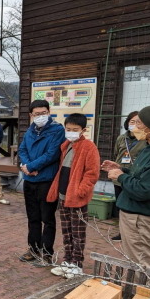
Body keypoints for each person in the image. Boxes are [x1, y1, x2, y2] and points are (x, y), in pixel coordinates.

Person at [101, 104, 150, 269]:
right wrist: (121, 168)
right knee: (134, 260)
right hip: (135, 214)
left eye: (139, 123)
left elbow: (145, 189)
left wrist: (120, 177)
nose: (135, 127)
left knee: (143, 262)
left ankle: (148, 293)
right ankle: (137, 291)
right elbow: (143, 176)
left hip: (141, 217)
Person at [46, 113, 100, 278]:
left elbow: (92, 173)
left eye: (74, 130)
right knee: (66, 231)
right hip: (64, 196)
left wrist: (81, 191)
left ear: (83, 130)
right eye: (68, 129)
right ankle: (67, 261)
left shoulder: (89, 147)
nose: (70, 132)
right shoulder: (67, 145)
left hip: (77, 198)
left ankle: (77, 264)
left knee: (78, 233)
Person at [18, 99, 65, 266]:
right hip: (29, 179)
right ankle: (33, 249)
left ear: (49, 112)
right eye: (37, 114)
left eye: (43, 113)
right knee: (33, 217)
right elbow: (22, 149)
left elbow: (52, 154)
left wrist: (31, 166)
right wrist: (26, 166)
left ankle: (47, 252)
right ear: (31, 115)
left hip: (46, 180)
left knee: (48, 218)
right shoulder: (30, 131)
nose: (41, 116)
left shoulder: (57, 130)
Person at [110, 111, 148, 240]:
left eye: (138, 122)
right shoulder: (122, 138)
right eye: (132, 121)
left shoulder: (145, 139)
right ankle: (122, 232)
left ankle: (134, 233)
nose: (135, 124)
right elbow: (116, 154)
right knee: (121, 205)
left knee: (133, 207)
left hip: (135, 179)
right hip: (119, 177)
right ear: (127, 123)